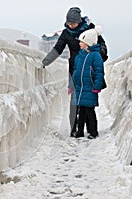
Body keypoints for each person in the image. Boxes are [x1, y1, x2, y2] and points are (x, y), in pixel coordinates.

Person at [42, 7, 108, 137]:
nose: (71, 25)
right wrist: (45, 61)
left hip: (90, 72)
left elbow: (101, 45)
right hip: (75, 70)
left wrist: (100, 54)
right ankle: (74, 130)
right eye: (69, 23)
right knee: (75, 101)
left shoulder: (90, 30)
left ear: (79, 21)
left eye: (73, 23)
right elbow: (58, 49)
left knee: (88, 103)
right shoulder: (66, 33)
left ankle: (91, 130)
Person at [68, 25, 104, 139]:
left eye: (81, 42)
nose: (79, 44)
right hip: (80, 88)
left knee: (90, 111)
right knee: (81, 111)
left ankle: (93, 132)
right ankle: (79, 132)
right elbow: (75, 72)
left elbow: (99, 72)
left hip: (90, 88)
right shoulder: (80, 56)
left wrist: (97, 86)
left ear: (88, 42)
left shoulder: (95, 56)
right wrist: (71, 85)